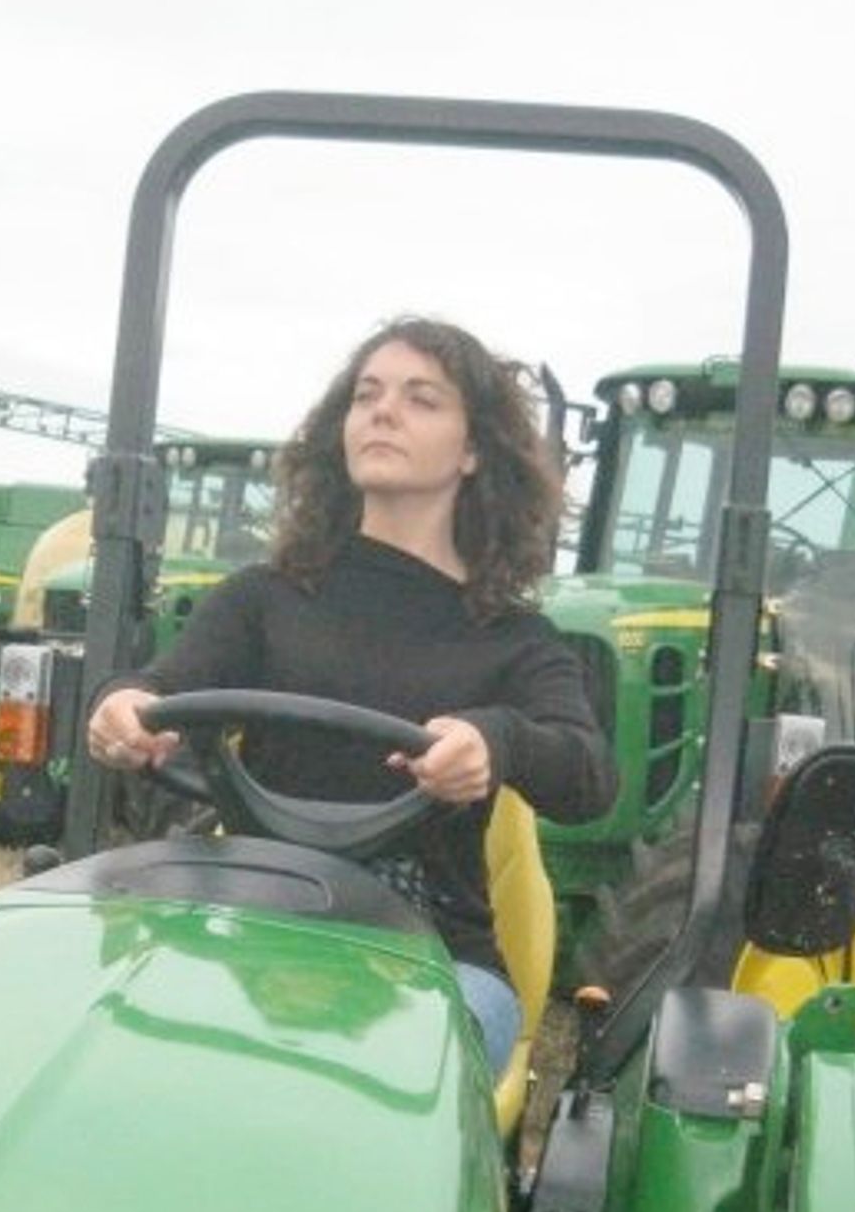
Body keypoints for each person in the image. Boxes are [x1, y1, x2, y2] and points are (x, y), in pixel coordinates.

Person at [87, 315, 615, 1075]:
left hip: (431, 957)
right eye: (368, 393)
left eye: (421, 398)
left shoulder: (514, 642)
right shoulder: (264, 600)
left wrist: (497, 741)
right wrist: (123, 705)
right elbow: (160, 686)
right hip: (255, 928)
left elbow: (589, 777)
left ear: (473, 451)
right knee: (121, 1026)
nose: (383, 410)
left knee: (390, 1066)